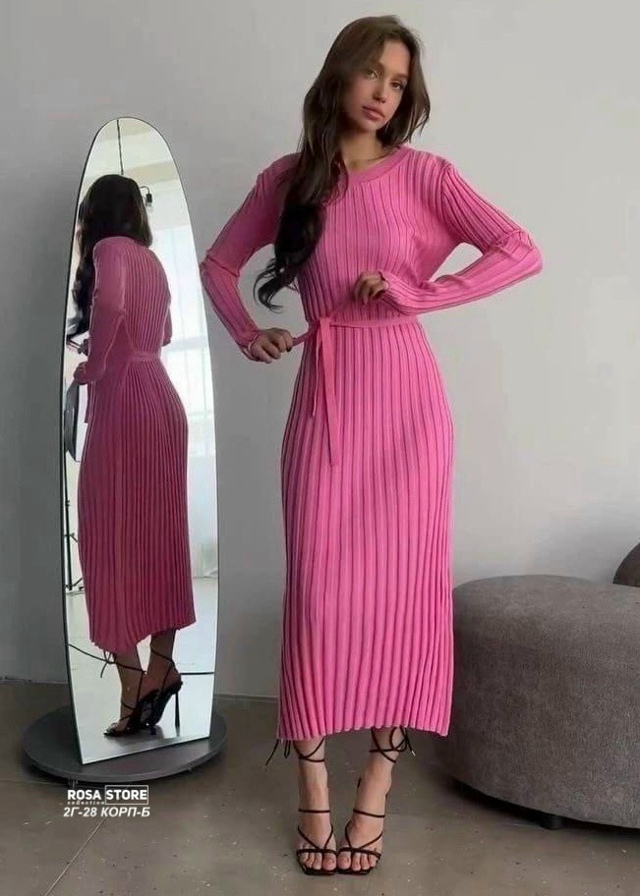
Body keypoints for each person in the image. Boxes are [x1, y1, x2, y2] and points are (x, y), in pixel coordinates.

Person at [200, 14, 543, 877]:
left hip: (408, 409)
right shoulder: (289, 180)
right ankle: (312, 785)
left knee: (406, 598)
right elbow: (217, 266)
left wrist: (420, 293)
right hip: (326, 399)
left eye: (399, 82)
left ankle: (377, 789)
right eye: (372, 74)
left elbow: (520, 250)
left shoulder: (428, 176)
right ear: (339, 76)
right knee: (319, 596)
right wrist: (248, 332)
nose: (384, 93)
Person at [70, 174, 196, 737]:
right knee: (160, 536)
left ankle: (131, 684)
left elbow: (111, 302)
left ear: (95, 214)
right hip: (162, 398)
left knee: (105, 537)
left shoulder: (109, 250)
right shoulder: (152, 260)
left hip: (124, 401)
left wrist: (95, 365)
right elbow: (163, 332)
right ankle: (161, 667)